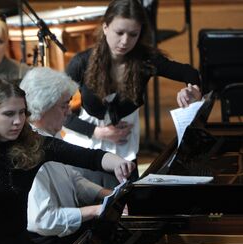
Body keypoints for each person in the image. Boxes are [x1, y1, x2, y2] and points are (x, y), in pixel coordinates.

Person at [0, 78, 134, 244]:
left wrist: (117, 163)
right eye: (9, 114)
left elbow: (88, 157)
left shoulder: (33, 144)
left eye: (22, 112)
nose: (18, 121)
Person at [63, 0, 201, 187]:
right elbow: (59, 114)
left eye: (133, 34)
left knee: (129, 205)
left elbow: (189, 73)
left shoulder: (145, 61)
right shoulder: (81, 63)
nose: (125, 41)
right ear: (105, 27)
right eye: (119, 33)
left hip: (124, 151)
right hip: (85, 150)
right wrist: (99, 132)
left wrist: (190, 90)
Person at [20, 67, 113, 244]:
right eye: (64, 105)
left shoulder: (50, 137)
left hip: (69, 238)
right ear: (44, 107)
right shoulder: (30, 152)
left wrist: (107, 194)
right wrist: (97, 210)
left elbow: (74, 180)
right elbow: (44, 220)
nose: (69, 111)